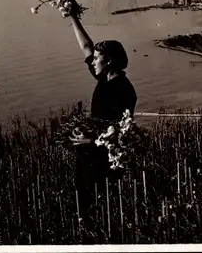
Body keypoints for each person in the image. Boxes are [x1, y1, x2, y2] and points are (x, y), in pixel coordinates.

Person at [66, 12, 137, 238]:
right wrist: (72, 16)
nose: (92, 61)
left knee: (100, 203)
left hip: (104, 158)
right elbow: (86, 46)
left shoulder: (123, 89)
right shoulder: (105, 79)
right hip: (90, 153)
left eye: (97, 58)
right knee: (85, 201)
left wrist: (90, 140)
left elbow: (121, 131)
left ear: (108, 61)